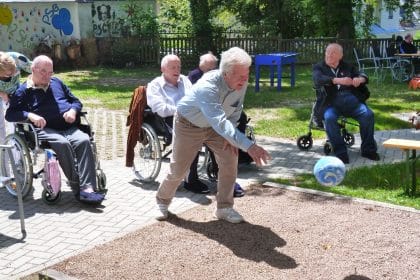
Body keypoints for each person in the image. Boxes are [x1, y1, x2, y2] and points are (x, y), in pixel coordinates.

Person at [155, 47, 271, 223]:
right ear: (226, 73)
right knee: (179, 169)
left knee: (230, 159)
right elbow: (220, 122)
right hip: (188, 125)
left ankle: (224, 207)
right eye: (240, 76)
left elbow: (235, 110)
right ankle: (162, 201)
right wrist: (250, 146)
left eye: (247, 74)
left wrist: (231, 137)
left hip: (215, 126)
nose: (245, 79)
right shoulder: (207, 86)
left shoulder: (241, 82)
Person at [5, 55, 105, 204]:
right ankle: (80, 188)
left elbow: (76, 101)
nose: (47, 76)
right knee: (62, 143)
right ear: (33, 69)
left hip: (69, 127)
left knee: (84, 140)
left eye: (50, 72)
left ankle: (88, 188)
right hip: (46, 130)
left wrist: (72, 111)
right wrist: (30, 115)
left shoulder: (57, 82)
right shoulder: (23, 91)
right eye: (43, 72)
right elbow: (11, 114)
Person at [147, 54, 210, 194]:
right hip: (169, 119)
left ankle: (220, 172)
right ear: (163, 69)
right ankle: (190, 179)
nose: (177, 70)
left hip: (192, 116)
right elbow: (161, 109)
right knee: (193, 134)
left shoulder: (185, 81)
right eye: (173, 67)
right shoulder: (155, 85)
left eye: (179, 67)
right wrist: (182, 110)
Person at [187, 52, 246, 198]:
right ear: (201, 67)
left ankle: (226, 180)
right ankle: (192, 179)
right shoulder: (194, 77)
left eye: (215, 68)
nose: (213, 71)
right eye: (209, 69)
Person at [313, 43, 379, 164]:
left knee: (368, 115)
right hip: (331, 104)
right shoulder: (319, 67)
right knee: (329, 118)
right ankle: (340, 153)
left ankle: (368, 150)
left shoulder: (348, 66)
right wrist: (337, 80)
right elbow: (318, 80)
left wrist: (360, 79)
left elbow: (363, 75)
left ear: (340, 55)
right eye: (327, 52)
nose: (329, 55)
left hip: (352, 102)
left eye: (333, 53)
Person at [0, 51, 32, 143]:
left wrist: (32, 78)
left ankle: (20, 144)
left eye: (14, 70)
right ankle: (3, 149)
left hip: (16, 91)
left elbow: (36, 69)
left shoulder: (19, 59)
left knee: (17, 119)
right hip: (2, 93)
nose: (14, 74)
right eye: (9, 75)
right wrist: (2, 94)